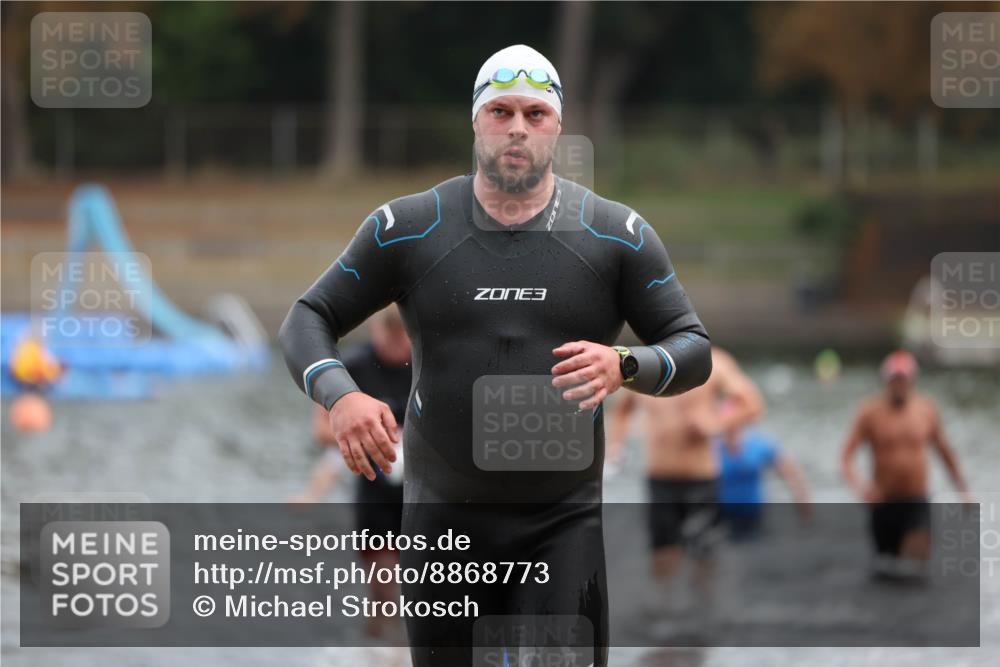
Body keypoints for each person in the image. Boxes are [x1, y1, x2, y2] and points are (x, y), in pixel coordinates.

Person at [278, 44, 712, 666]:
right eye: (501, 111)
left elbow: (693, 347)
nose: (517, 129)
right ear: (476, 119)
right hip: (442, 527)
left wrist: (625, 365)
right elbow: (307, 318)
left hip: (561, 527)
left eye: (535, 114)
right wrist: (340, 395)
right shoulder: (410, 226)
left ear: (558, 126)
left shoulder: (616, 235)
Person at [290, 305, 411, 640]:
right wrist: (376, 435)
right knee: (382, 591)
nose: (395, 349)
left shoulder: (424, 367)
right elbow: (324, 434)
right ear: (376, 332)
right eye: (389, 339)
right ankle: (377, 649)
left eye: (403, 341)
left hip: (419, 491)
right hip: (373, 487)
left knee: (423, 592)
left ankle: (405, 652)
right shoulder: (352, 369)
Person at [607, 348, 764, 600]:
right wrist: (616, 447)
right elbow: (622, 410)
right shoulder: (643, 364)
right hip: (659, 479)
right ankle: (664, 617)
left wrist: (716, 425)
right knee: (662, 556)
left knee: (703, 555)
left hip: (700, 478)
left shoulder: (715, 363)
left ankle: (705, 614)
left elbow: (753, 404)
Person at [841, 349, 972, 577]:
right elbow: (846, 458)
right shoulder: (870, 413)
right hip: (883, 501)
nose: (900, 385)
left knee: (915, 566)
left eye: (904, 380)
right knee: (886, 569)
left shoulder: (925, 410)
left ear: (913, 380)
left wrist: (963, 491)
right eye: (895, 380)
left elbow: (945, 453)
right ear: (886, 381)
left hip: (916, 501)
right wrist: (861, 488)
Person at [717, 427, 811, 541]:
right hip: (719, 517)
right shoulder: (710, 445)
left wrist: (804, 510)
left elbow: (792, 476)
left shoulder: (759, 444)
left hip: (752, 515)